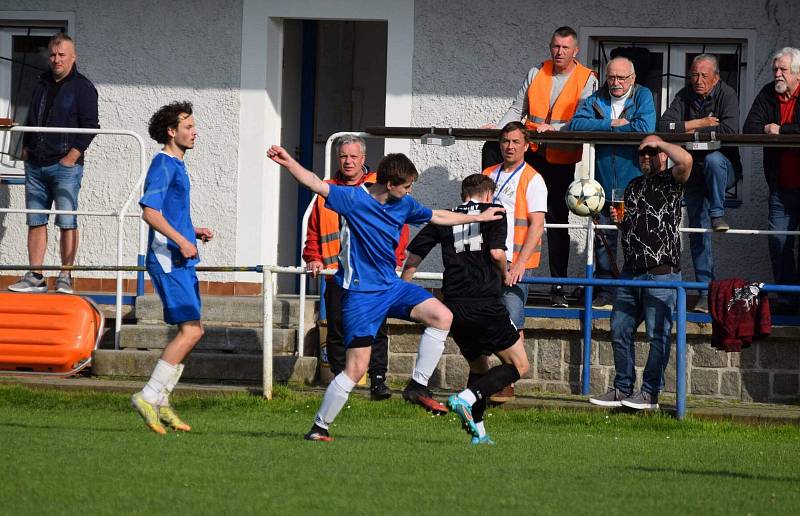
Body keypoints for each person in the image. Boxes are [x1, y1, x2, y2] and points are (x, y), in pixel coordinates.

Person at [267, 146, 504, 441]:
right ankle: (319, 427)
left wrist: (480, 219)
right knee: (355, 369)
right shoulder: (353, 199)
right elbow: (314, 182)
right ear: (389, 185)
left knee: (442, 316)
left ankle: (417, 386)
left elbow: (438, 217)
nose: (409, 192)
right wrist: (290, 162)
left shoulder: (403, 204)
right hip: (360, 296)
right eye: (406, 187)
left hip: (391, 287)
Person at [401, 174, 530, 445]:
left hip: (455, 306)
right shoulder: (494, 212)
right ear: (488, 196)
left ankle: (479, 433)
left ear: (463, 196)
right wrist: (505, 273)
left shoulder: (445, 216)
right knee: (519, 365)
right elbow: (496, 253)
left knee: (480, 367)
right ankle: (466, 398)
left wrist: (403, 292)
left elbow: (413, 258)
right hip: (485, 303)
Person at [482, 26, 598, 308]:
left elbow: (583, 118)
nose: (559, 52)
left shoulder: (587, 79)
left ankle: (558, 286)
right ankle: (492, 263)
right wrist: (497, 129)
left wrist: (555, 128)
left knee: (557, 221)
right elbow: (516, 108)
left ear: (576, 51)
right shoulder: (536, 72)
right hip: (531, 153)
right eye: (555, 47)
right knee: (508, 208)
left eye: (565, 48)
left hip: (559, 158)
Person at [589, 136, 692, 410]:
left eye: (651, 152)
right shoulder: (633, 186)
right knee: (619, 329)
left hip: (661, 275)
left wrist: (659, 141)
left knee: (657, 336)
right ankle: (623, 388)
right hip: (630, 273)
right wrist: (619, 221)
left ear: (662, 155)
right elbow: (633, 228)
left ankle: (649, 393)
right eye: (641, 154)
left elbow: (686, 160)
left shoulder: (673, 180)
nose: (645, 157)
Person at [303, 134, 409, 400]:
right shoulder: (326, 189)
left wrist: (394, 262)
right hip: (336, 273)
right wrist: (312, 257)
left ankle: (378, 381)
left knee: (377, 329)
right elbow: (314, 230)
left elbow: (400, 226)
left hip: (374, 275)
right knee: (337, 328)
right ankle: (341, 384)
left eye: (353, 157)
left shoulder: (380, 186)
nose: (348, 162)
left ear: (363, 159)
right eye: (343, 156)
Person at [130, 102, 214, 434]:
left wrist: (192, 232)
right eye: (189, 127)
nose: (195, 132)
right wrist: (181, 241)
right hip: (168, 259)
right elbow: (150, 212)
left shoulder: (177, 164)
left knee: (192, 331)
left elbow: (168, 213)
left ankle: (161, 401)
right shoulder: (163, 164)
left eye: (194, 127)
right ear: (172, 131)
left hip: (180, 257)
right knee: (191, 331)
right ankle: (149, 396)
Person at [9, 33, 99, 294]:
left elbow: (91, 127)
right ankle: (35, 276)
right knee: (35, 220)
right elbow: (31, 116)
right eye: (53, 54)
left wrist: (72, 157)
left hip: (65, 166)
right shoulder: (41, 83)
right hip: (35, 163)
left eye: (62, 55)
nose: (56, 59)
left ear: (73, 57)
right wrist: (25, 147)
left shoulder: (83, 87)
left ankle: (65, 277)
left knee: (67, 221)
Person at [567, 56, 656, 309]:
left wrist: (606, 131)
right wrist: (611, 124)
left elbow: (644, 127)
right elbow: (576, 125)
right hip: (601, 185)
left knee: (636, 240)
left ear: (633, 78)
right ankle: (606, 293)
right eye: (611, 77)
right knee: (604, 241)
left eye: (621, 78)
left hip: (635, 183)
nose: (615, 82)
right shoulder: (597, 98)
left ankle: (634, 294)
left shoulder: (643, 96)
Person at [657, 54, 742, 313]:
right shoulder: (684, 95)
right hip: (694, 173)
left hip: (723, 170)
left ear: (716, 77)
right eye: (694, 75)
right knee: (698, 233)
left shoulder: (727, 94)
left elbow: (730, 130)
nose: (698, 80)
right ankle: (706, 291)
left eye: (704, 75)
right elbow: (663, 126)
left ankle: (719, 212)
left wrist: (686, 130)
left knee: (715, 159)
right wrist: (702, 123)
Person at [481, 122, 547, 402]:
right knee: (484, 318)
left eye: (515, 141)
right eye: (505, 141)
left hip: (514, 261)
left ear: (526, 145)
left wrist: (519, 263)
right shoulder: (487, 175)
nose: (510, 146)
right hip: (485, 259)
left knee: (512, 320)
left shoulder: (533, 179)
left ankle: (508, 380)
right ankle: (483, 378)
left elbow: (537, 224)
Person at [743, 47, 800, 315]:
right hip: (780, 188)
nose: (777, 74)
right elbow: (750, 127)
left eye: (783, 70)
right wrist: (769, 129)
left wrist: (782, 130)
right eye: (775, 69)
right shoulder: (769, 93)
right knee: (779, 244)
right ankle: (789, 301)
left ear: (797, 74)